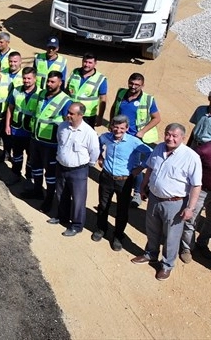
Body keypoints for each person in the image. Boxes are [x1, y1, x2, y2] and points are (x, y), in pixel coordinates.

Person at [132, 123, 202, 281]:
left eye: (174, 136)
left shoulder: (191, 157)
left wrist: (190, 207)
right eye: (168, 134)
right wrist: (143, 187)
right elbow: (150, 168)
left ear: (183, 138)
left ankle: (167, 265)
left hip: (175, 204)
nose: (170, 138)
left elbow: (196, 185)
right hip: (154, 198)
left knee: (171, 236)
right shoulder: (159, 148)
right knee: (152, 229)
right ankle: (150, 254)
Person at [93, 115, 151, 251]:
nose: (118, 130)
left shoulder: (134, 142)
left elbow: (150, 153)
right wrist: (100, 156)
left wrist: (140, 167)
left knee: (122, 210)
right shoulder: (105, 137)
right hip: (106, 177)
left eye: (121, 128)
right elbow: (97, 145)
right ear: (111, 126)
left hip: (124, 181)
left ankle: (118, 236)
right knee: (103, 205)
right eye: (115, 127)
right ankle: (101, 229)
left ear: (126, 129)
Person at [47, 102, 100, 236]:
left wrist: (90, 164)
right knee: (61, 194)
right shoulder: (63, 126)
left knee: (78, 199)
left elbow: (94, 151)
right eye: (68, 112)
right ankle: (62, 217)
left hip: (78, 170)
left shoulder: (89, 132)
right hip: (61, 167)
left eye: (71, 113)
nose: (68, 115)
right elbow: (60, 141)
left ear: (80, 115)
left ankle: (76, 225)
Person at [22, 71, 71, 212]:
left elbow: (68, 124)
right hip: (36, 140)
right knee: (35, 167)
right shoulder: (42, 94)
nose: (49, 84)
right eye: (48, 81)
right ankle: (37, 191)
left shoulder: (65, 101)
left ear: (60, 83)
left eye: (52, 82)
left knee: (50, 174)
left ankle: (49, 199)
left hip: (51, 145)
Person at [111, 72, 161, 207]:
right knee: (124, 162)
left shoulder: (148, 99)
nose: (133, 86)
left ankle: (137, 193)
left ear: (142, 85)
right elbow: (114, 108)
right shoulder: (121, 93)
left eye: (137, 85)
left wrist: (142, 132)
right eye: (131, 83)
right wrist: (112, 123)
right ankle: (123, 187)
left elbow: (157, 118)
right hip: (121, 135)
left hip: (135, 138)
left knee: (135, 165)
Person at [183, 91, 211, 259]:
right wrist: (187, 148)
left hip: (208, 154)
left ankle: (202, 243)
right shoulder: (201, 110)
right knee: (192, 209)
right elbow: (194, 131)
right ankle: (187, 246)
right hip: (196, 147)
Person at [4, 67, 38, 181]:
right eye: (24, 78)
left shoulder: (41, 94)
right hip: (17, 130)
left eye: (29, 78)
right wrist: (7, 125)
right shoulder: (16, 90)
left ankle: (29, 177)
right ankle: (15, 174)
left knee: (31, 157)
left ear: (35, 79)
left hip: (31, 132)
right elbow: (10, 108)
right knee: (17, 155)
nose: (26, 81)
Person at [65, 53, 108, 128]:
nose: (86, 64)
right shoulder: (75, 72)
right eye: (85, 61)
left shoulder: (100, 79)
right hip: (71, 112)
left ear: (95, 63)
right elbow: (67, 91)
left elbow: (103, 99)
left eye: (90, 62)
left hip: (87, 116)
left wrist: (100, 117)